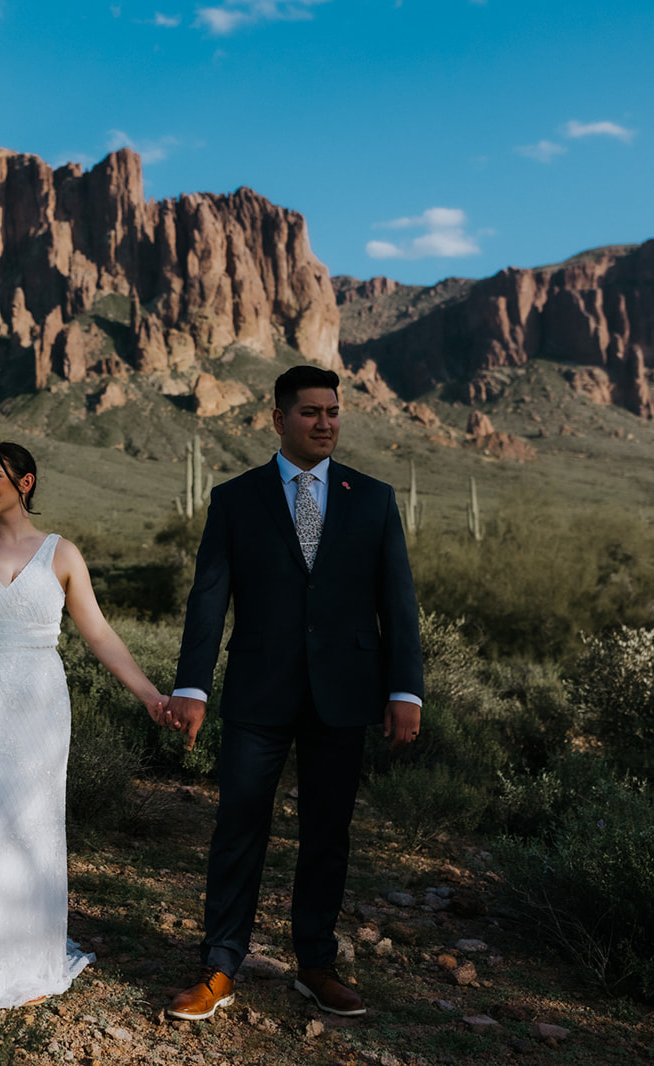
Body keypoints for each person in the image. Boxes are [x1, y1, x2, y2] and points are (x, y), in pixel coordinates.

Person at [160, 364, 424, 1021]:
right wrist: (191, 684)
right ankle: (221, 966)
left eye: (333, 411)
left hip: (346, 691)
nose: (325, 422)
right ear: (278, 420)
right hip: (258, 689)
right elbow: (208, 599)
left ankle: (316, 966)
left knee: (327, 832)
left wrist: (406, 691)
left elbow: (399, 603)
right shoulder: (235, 499)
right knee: (238, 827)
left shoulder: (374, 498)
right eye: (310, 412)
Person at [0, 442, 168, 1009]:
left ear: (25, 483)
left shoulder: (62, 554)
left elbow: (97, 633)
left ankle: (28, 962)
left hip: (40, 711)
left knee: (32, 833)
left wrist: (148, 694)